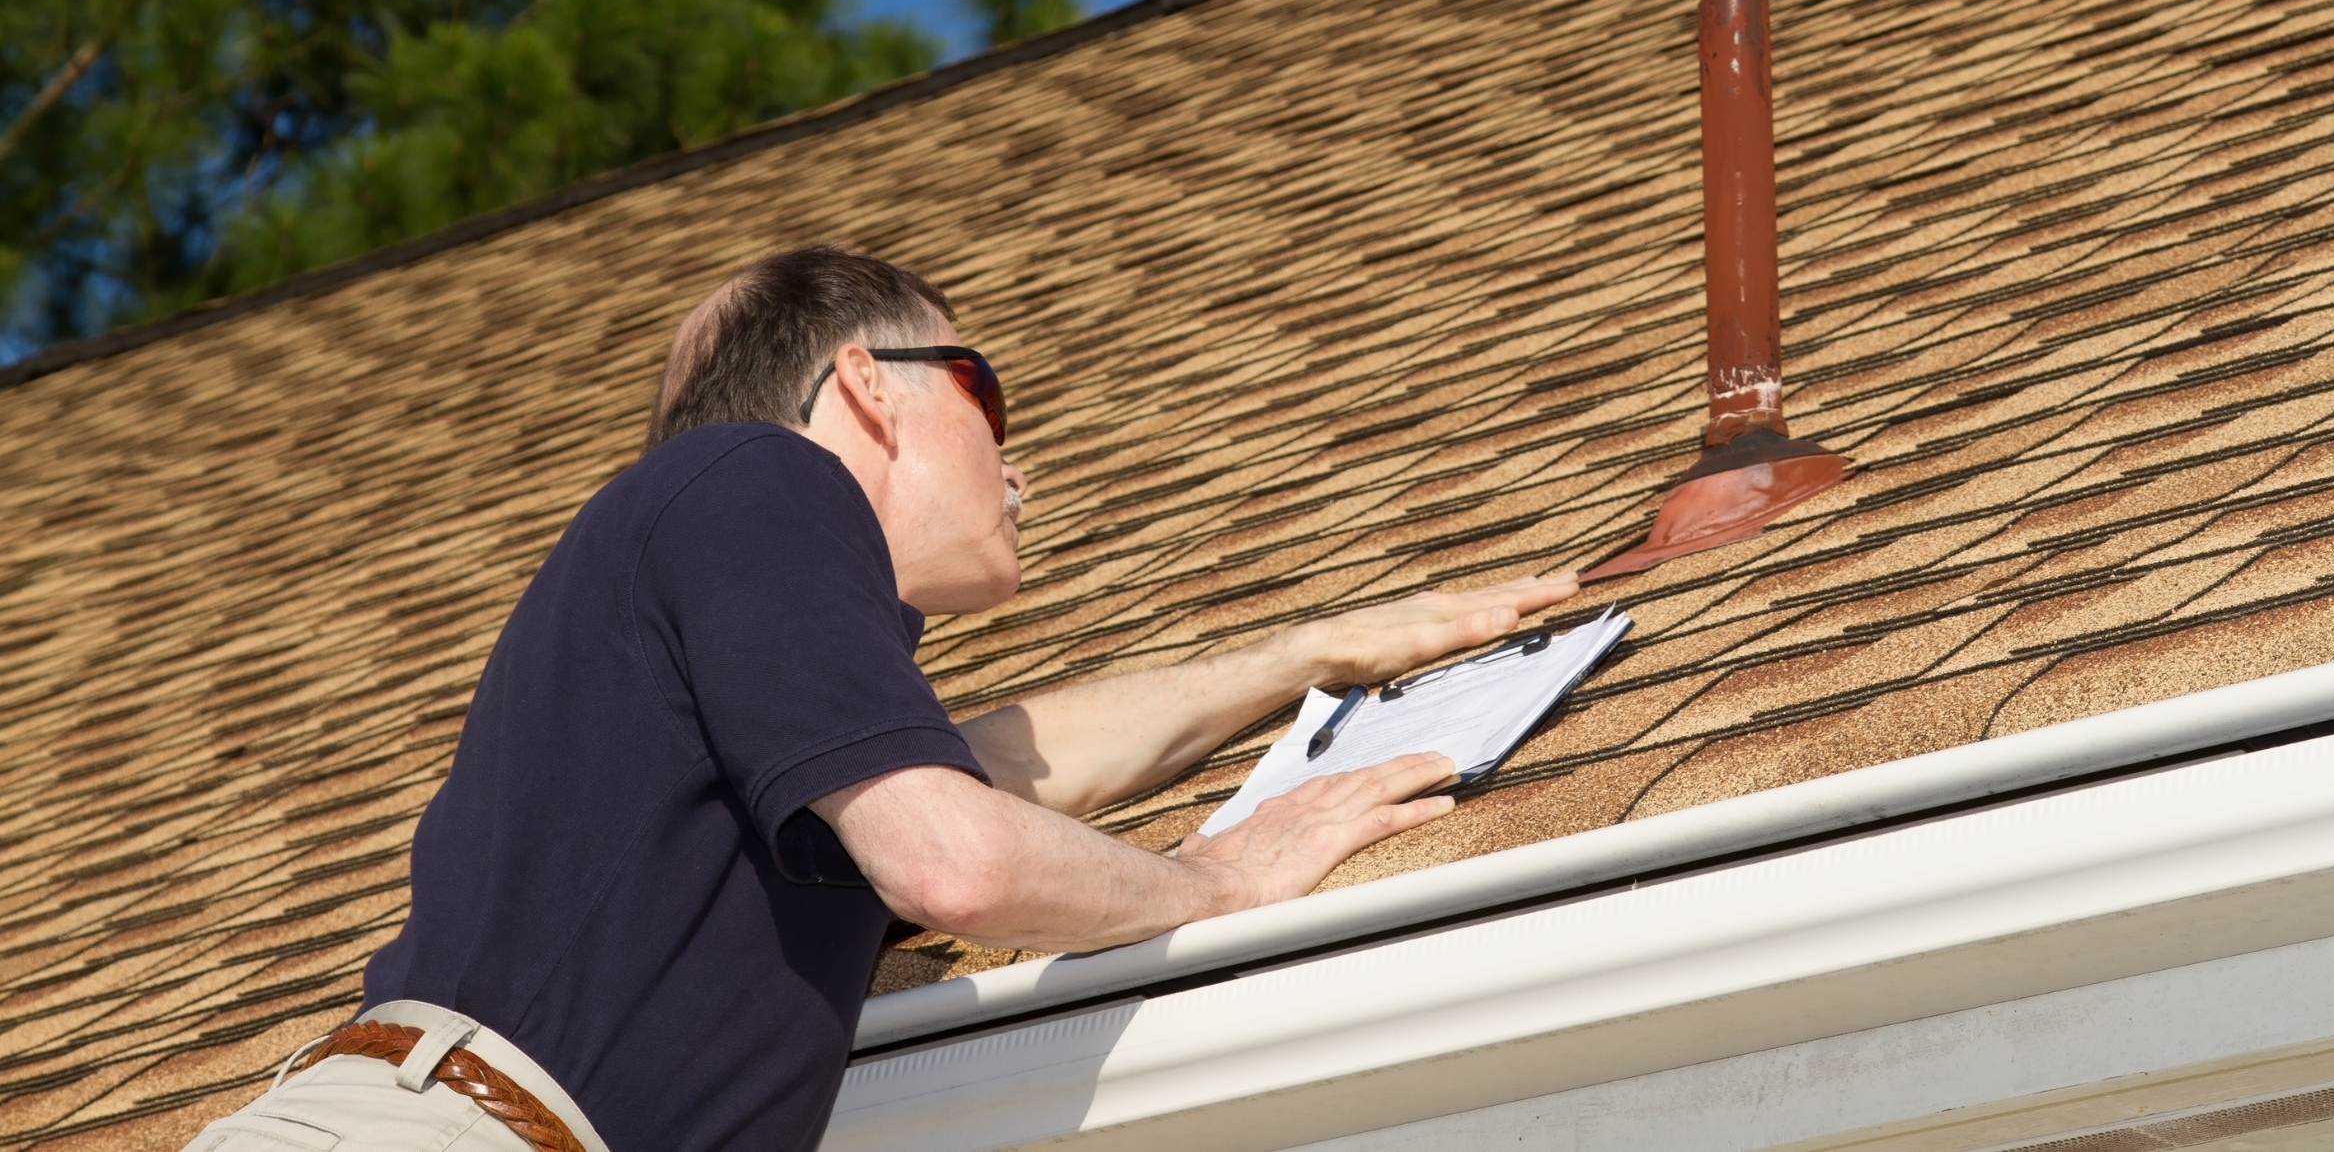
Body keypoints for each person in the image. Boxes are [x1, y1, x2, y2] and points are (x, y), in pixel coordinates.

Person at [183, 246, 1577, 1152]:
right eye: (987, 393)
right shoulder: (753, 477)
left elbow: (1002, 773)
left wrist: (1317, 655)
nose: (1019, 468)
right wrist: (1211, 882)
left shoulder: (723, 678)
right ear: (862, 384)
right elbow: (958, 858)